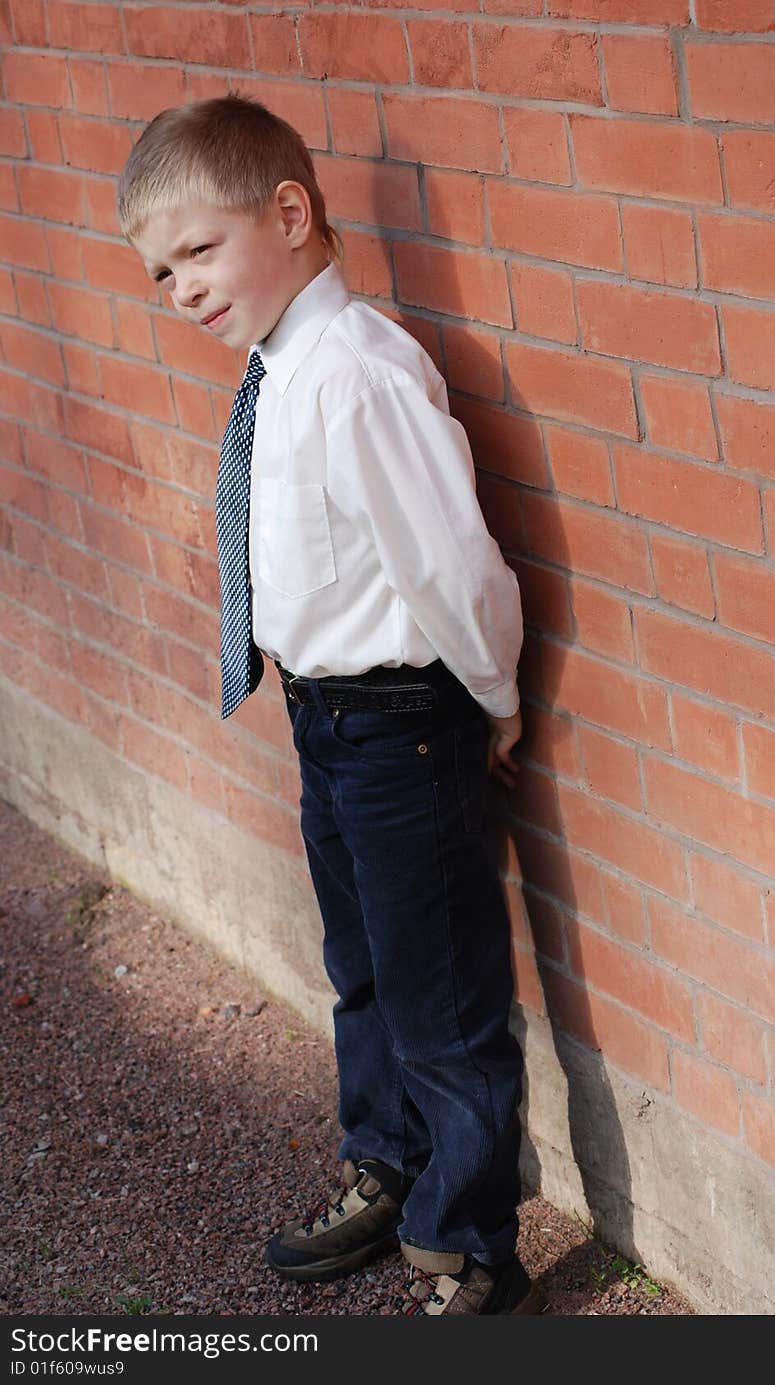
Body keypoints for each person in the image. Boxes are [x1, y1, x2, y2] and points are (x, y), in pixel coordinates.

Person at [117, 94, 544, 1316]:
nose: (183, 288)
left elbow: (451, 561)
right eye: (162, 272)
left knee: (440, 992)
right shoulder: (278, 372)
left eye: (200, 250)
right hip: (329, 724)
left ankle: (468, 1246)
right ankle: (393, 1167)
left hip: (405, 725)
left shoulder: (354, 374)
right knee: (361, 967)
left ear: (290, 213)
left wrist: (495, 697)